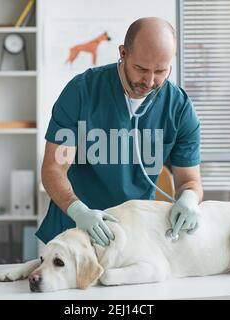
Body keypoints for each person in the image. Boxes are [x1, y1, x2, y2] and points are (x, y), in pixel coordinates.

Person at [37, 17, 203, 246]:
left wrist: (190, 199)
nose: (149, 81)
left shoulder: (179, 108)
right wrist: (78, 211)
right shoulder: (82, 92)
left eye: (160, 71)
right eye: (141, 69)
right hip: (73, 229)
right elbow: (54, 167)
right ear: (123, 53)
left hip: (132, 233)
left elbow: (189, 181)